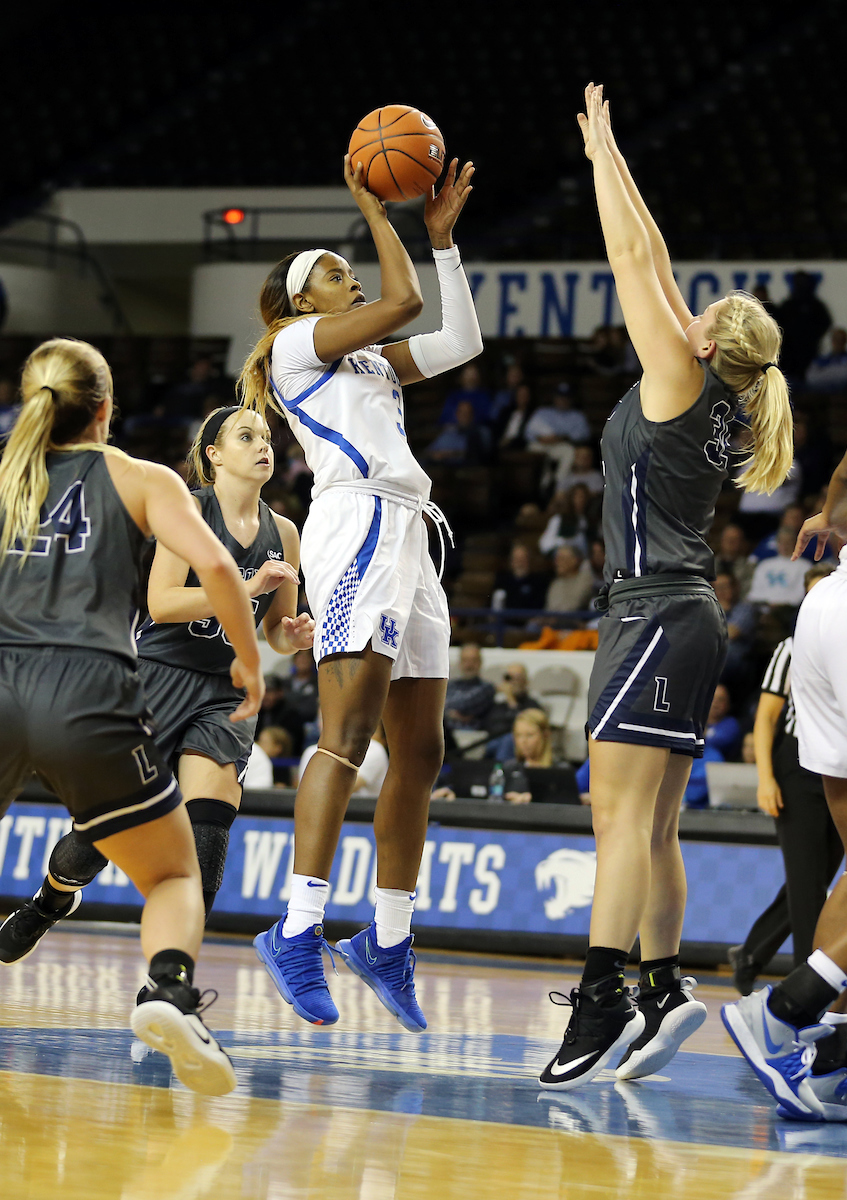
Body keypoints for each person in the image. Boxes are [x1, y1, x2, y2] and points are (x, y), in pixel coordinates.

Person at [539, 85, 793, 1093]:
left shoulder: (680, 380)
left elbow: (632, 263)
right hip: (681, 615)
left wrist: (603, 158)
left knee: (618, 816)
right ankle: (660, 985)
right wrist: (613, 155)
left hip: (651, 612)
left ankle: (604, 997)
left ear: (704, 343)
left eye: (705, 312)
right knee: (651, 822)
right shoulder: (722, 390)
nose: (689, 306)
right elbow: (659, 264)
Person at [238, 153, 482, 1032]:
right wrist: (380, 212)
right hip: (358, 529)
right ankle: (297, 926)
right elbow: (406, 305)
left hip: (411, 534)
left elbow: (458, 342)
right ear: (303, 302)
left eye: (350, 269)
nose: (349, 276)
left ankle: (386, 937)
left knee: (419, 752)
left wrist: (442, 242)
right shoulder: (292, 347)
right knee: (344, 739)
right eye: (334, 272)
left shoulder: (371, 364)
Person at [0, 338, 265, 1094]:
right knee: (176, 872)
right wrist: (247, 659)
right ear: (106, 409)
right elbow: (216, 567)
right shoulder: (138, 477)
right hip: (88, 690)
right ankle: (170, 988)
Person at [0, 403, 314, 949]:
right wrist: (249, 586)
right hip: (158, 676)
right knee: (98, 834)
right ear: (214, 455)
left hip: (227, 690)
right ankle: (51, 899)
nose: (264, 446)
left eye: (267, 437)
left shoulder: (283, 531)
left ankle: (168, 983)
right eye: (247, 437)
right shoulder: (188, 511)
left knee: (207, 833)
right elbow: (163, 603)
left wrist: (294, 634)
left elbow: (272, 630)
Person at [722, 445, 847, 1121]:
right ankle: (782, 1010)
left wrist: (830, 513)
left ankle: (828, 1058)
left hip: (826, 606)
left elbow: (843, 470)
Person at [729, 565, 843, 996]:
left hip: (837, 762)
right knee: (809, 883)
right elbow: (765, 718)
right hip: (795, 765)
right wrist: (764, 778)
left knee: (813, 878)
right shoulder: (790, 648)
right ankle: (805, 987)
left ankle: (752, 953)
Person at [444, 642, 496, 732]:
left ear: (480, 662)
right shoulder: (449, 685)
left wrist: (447, 710)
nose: (469, 665)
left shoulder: (487, 688)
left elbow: (466, 705)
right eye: (465, 660)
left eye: (473, 660)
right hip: (448, 736)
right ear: (459, 663)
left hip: (475, 735)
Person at [491, 542, 549, 612]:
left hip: (528, 621)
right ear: (511, 561)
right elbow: (491, 605)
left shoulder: (538, 582)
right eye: (516, 559)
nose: (519, 562)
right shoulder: (502, 580)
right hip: (503, 621)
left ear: (528, 560)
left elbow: (539, 607)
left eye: (523, 558)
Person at [544, 544, 595, 615]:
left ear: (575, 560)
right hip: (552, 622)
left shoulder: (585, 579)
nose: (557, 563)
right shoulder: (556, 583)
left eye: (561, 559)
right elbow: (549, 608)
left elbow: (574, 605)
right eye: (556, 559)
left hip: (574, 621)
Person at [804, 328, 847, 394]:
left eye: (841, 340)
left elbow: (845, 377)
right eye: (836, 340)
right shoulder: (822, 360)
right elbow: (811, 378)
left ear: (845, 341)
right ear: (832, 341)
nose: (838, 343)